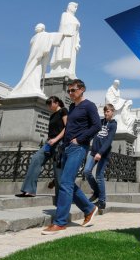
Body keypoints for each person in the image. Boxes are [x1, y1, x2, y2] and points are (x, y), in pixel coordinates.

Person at [42, 79, 101, 235]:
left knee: (66, 183)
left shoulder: (89, 105)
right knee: (65, 182)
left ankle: (60, 222)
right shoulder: (72, 107)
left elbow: (97, 126)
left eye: (73, 90)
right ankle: (89, 208)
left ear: (81, 89)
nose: (70, 93)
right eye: (68, 91)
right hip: (67, 147)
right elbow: (69, 127)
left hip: (78, 147)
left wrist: (80, 139)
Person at [16, 96, 67, 198]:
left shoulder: (63, 111)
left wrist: (56, 139)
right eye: (47, 104)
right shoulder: (52, 115)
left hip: (59, 143)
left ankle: (61, 196)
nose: (49, 106)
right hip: (49, 143)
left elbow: (67, 127)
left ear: (57, 103)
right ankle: (29, 190)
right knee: (36, 159)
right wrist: (49, 140)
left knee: (57, 169)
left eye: (50, 104)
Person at [9, 23, 66, 98]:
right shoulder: (34, 37)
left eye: (38, 27)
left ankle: (34, 87)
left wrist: (63, 34)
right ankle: (27, 87)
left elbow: (54, 36)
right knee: (30, 71)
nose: (36, 28)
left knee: (36, 72)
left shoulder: (44, 35)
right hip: (33, 57)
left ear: (42, 28)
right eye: (36, 27)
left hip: (38, 59)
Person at [84, 103, 117, 212]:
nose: (106, 113)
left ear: (112, 112)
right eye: (105, 111)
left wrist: (101, 152)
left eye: (108, 111)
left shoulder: (113, 124)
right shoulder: (101, 121)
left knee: (99, 176)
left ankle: (102, 201)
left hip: (103, 154)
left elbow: (109, 140)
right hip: (94, 152)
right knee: (87, 171)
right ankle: (97, 191)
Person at [48, 2, 81, 78]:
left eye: (76, 7)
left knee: (70, 56)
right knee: (63, 54)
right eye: (74, 7)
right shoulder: (65, 15)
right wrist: (68, 33)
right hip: (65, 37)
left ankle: (69, 71)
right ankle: (59, 69)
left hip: (73, 39)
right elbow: (64, 25)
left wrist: (77, 42)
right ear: (70, 7)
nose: (75, 9)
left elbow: (77, 32)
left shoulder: (75, 19)